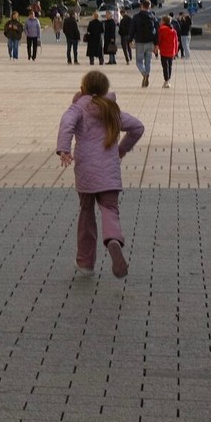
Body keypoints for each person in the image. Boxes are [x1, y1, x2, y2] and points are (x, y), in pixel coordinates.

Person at [56, 69, 144, 278]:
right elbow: (138, 127)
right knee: (110, 209)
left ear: (82, 89)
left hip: (86, 170)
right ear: (106, 89)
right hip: (109, 172)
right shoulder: (111, 110)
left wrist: (64, 149)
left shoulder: (78, 108)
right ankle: (113, 239)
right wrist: (121, 149)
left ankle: (85, 263)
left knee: (86, 214)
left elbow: (66, 124)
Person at [129, 0, 157, 88]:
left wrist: (130, 40)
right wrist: (156, 43)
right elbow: (156, 31)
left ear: (141, 6)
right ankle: (146, 75)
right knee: (148, 62)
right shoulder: (153, 17)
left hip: (140, 42)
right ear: (149, 6)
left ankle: (144, 74)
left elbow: (132, 29)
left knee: (139, 62)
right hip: (150, 42)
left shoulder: (136, 17)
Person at [156, 14, 179, 87]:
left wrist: (157, 46)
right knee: (170, 66)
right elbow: (176, 41)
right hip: (171, 51)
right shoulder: (173, 30)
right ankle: (168, 80)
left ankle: (166, 80)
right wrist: (175, 51)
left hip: (164, 50)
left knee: (165, 66)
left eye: (161, 20)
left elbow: (159, 39)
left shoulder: (162, 29)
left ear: (163, 21)